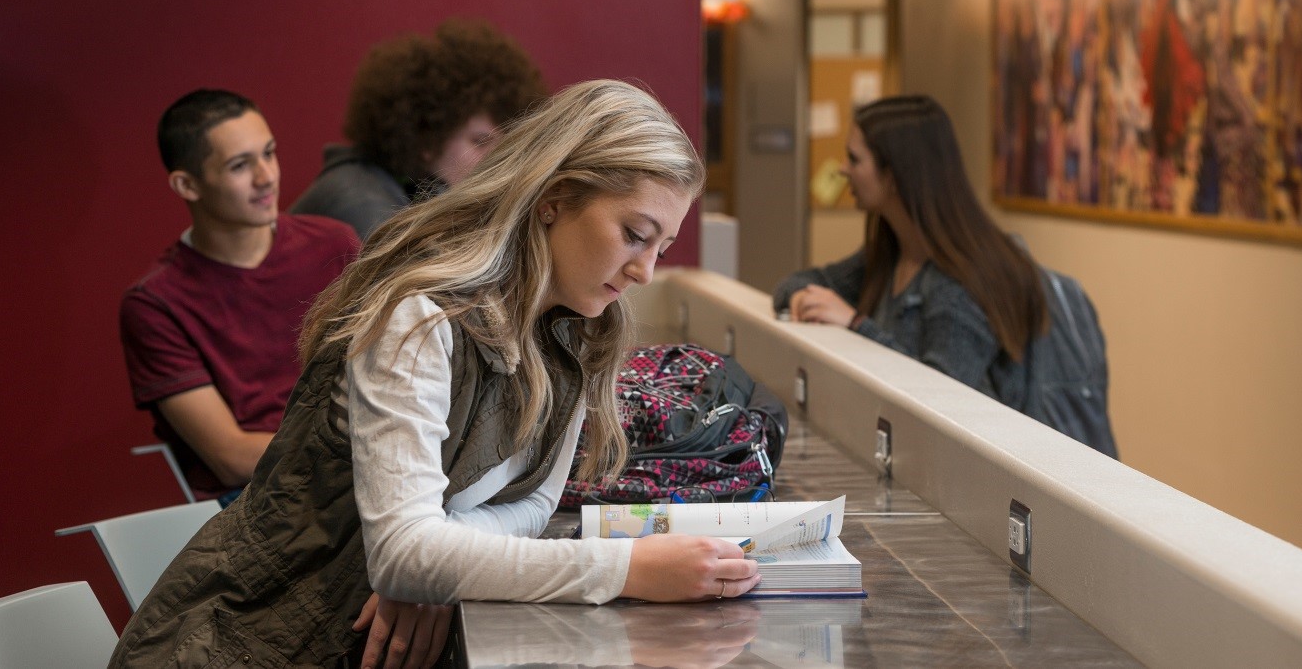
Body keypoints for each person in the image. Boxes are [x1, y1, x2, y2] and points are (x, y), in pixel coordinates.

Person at [109, 80, 762, 669]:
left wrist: (445, 568)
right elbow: (401, 554)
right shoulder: (418, 318)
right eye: (633, 234)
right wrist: (625, 569)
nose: (645, 270)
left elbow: (528, 508)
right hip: (237, 644)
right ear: (553, 201)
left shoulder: (575, 331)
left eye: (662, 248)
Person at [120, 89, 360, 502]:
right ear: (187, 185)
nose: (266, 176)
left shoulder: (332, 244)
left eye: (268, 153)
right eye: (239, 165)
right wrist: (372, 444)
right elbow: (228, 456)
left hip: (362, 464)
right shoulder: (155, 304)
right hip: (255, 495)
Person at [774, 95, 1052, 409]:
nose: (842, 169)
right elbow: (794, 283)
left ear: (893, 174)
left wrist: (855, 324)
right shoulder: (891, 254)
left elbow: (942, 398)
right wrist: (802, 299)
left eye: (854, 159)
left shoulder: (961, 280)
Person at [290, 19, 547, 240]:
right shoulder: (361, 202)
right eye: (479, 142)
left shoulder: (398, 189)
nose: (495, 157)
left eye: (502, 144)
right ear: (427, 137)